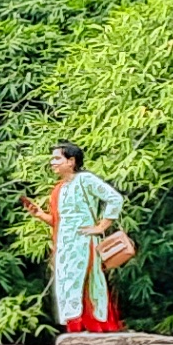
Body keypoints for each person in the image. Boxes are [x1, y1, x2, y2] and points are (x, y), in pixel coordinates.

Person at [30, 141, 127, 332]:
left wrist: (101, 227)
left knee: (80, 284)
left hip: (83, 242)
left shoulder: (85, 180)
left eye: (57, 158)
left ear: (71, 161)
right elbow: (60, 222)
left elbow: (115, 198)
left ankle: (87, 330)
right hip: (65, 245)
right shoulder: (59, 189)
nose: (52, 162)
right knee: (67, 286)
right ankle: (77, 330)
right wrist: (40, 215)